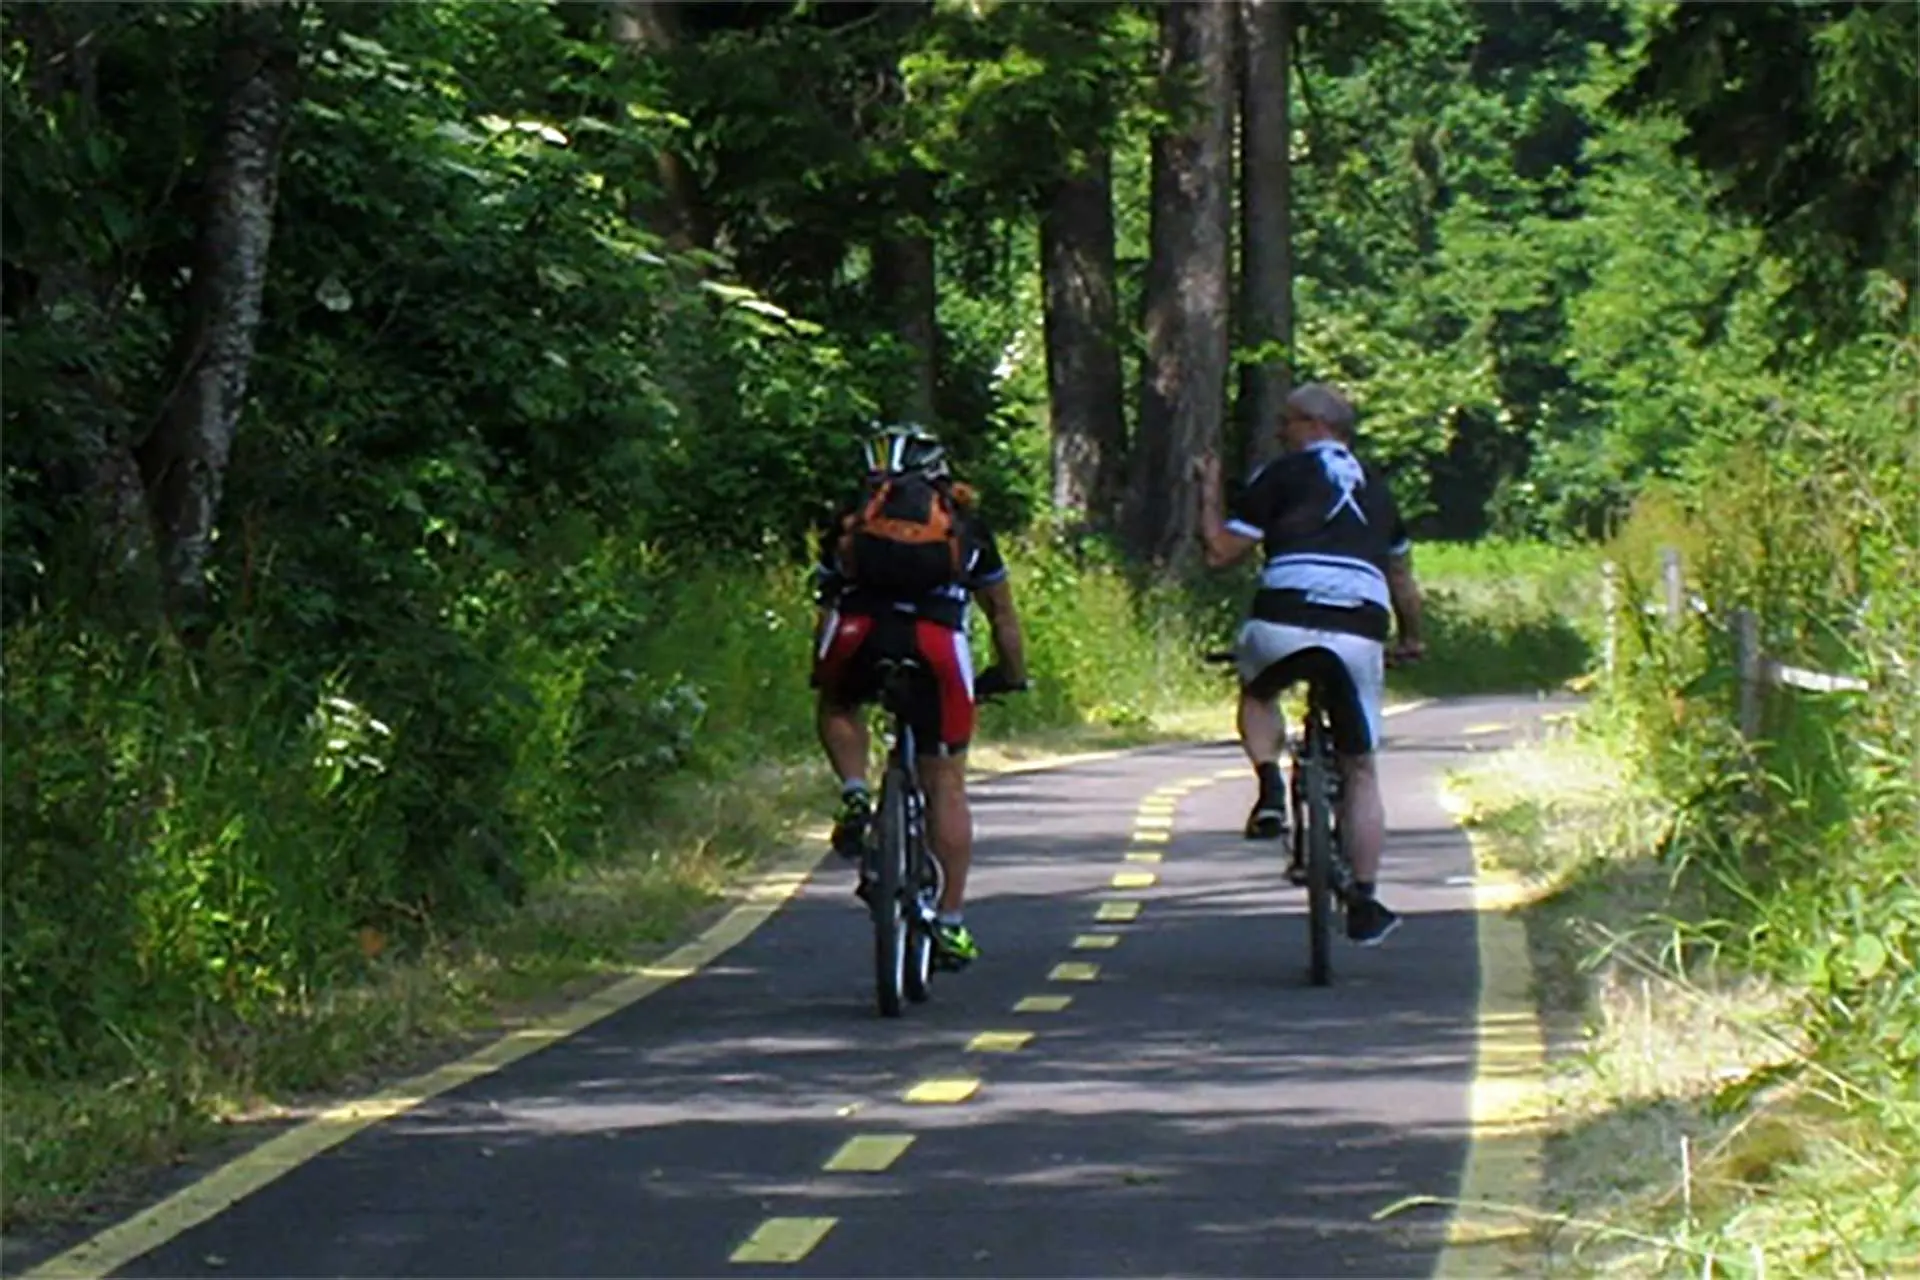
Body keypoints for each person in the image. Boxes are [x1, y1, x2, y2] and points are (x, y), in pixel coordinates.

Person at [1193, 383, 1426, 946]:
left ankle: (1271, 788)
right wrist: (1412, 638)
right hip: (1359, 627)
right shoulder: (1382, 491)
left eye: (1288, 421)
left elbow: (1222, 552)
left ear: (1315, 425)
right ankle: (1365, 901)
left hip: (1284, 616)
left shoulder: (1279, 476)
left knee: (1256, 689)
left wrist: (1206, 496)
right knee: (1361, 768)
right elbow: (1401, 580)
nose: (1280, 431)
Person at [811, 424, 1029, 966]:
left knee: (838, 705)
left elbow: (826, 605)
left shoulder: (851, 519)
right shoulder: (963, 525)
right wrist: (1010, 673)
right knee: (947, 782)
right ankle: (951, 922)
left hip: (860, 634)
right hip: (936, 643)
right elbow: (1001, 615)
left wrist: (827, 669)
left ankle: (857, 792)